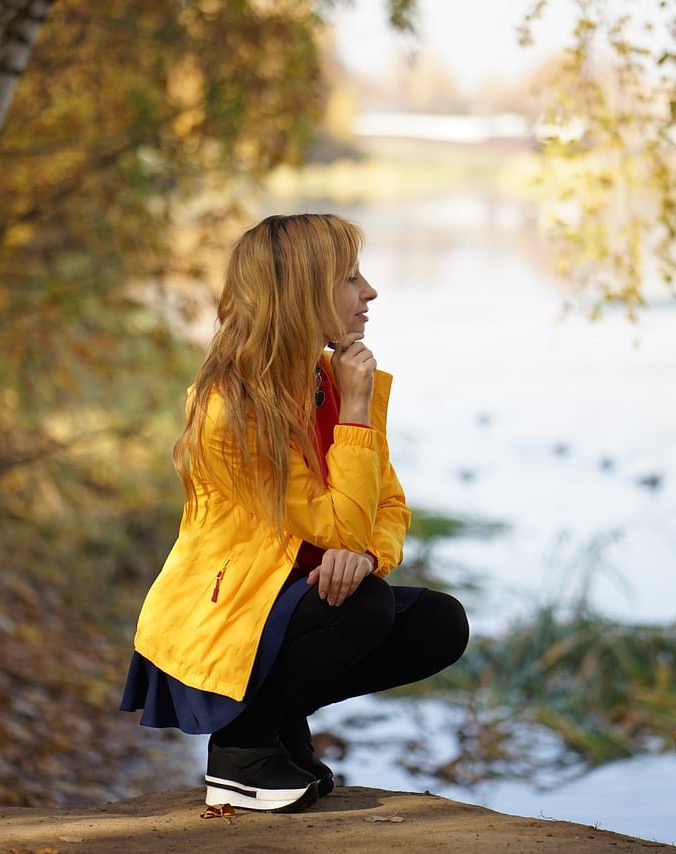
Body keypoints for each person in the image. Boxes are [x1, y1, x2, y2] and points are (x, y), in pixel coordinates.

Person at [120, 213, 469, 814]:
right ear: (303, 293)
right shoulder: (233, 410)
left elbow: (387, 504)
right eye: (351, 278)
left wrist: (363, 555)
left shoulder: (325, 378)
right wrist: (356, 413)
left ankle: (278, 723)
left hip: (295, 606)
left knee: (440, 622)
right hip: (230, 621)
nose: (370, 293)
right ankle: (241, 748)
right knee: (364, 607)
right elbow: (335, 522)